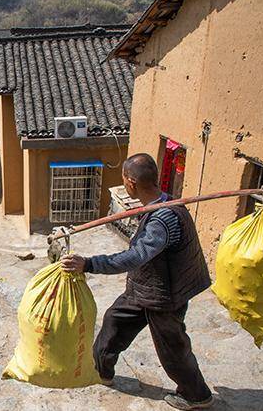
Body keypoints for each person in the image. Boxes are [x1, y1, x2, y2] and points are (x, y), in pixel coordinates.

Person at [61, 153, 214, 410]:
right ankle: (101, 371)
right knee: (115, 320)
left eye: (123, 179)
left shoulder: (164, 219)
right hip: (144, 289)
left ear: (131, 182)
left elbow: (136, 256)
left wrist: (88, 264)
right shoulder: (159, 204)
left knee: (172, 347)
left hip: (164, 297)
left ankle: (196, 395)